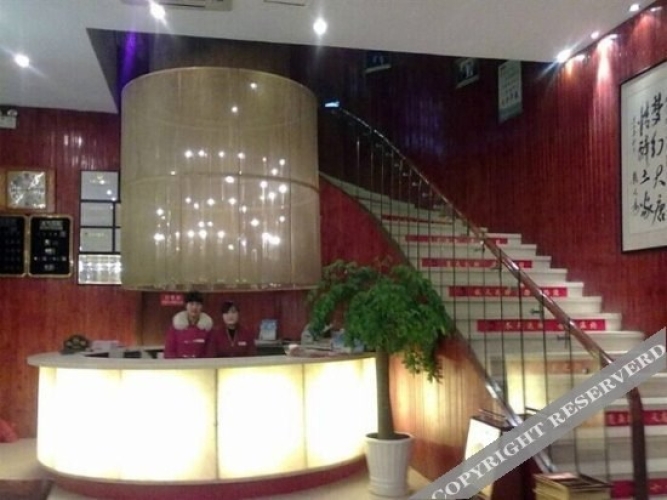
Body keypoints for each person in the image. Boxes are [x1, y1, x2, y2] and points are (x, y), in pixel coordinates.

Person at [163, 291, 214, 359]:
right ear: (186, 306)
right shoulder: (175, 327)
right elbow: (169, 352)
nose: (194, 307)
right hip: (179, 364)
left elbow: (210, 353)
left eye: (198, 304)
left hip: (202, 364)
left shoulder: (207, 328)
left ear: (202, 307)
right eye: (191, 304)